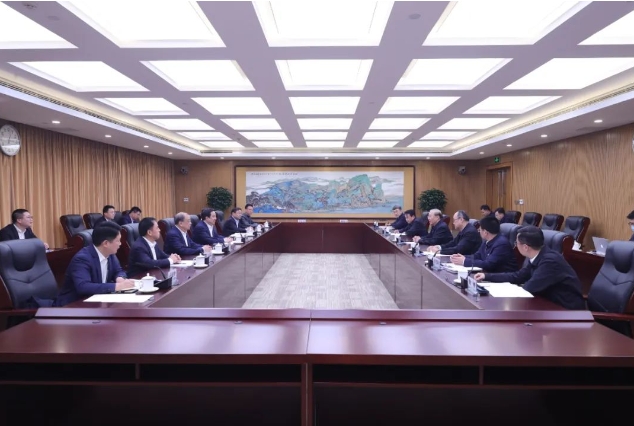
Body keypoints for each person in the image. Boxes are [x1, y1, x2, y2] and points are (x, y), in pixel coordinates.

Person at [474, 225, 585, 310]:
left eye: (516, 242)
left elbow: (528, 289)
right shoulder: (539, 256)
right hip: (548, 305)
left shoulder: (550, 262)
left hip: (565, 311)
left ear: (526, 247)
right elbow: (518, 276)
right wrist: (486, 276)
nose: (515, 245)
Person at [56, 222, 135, 306]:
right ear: (106, 243)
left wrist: (119, 278)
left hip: (98, 300)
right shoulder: (82, 259)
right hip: (73, 305)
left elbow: (119, 271)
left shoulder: (110, 253)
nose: (120, 244)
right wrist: (117, 286)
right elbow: (83, 286)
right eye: (118, 241)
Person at [450, 216, 518, 272]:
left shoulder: (501, 244)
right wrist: (462, 257)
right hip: (489, 275)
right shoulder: (486, 241)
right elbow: (478, 255)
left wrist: (464, 261)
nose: (478, 232)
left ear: (485, 232)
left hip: (502, 279)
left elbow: (488, 264)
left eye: (479, 230)